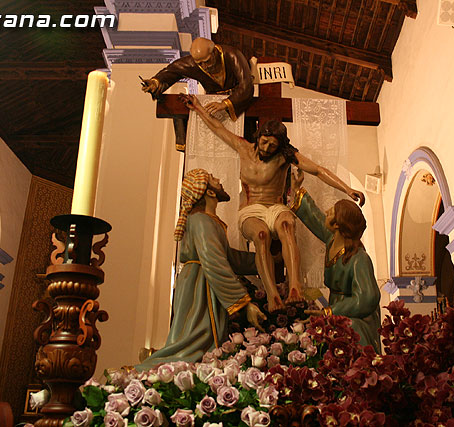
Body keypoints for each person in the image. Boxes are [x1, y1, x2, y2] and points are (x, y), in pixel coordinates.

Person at [181, 94, 365, 313]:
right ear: (258, 136)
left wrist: (347, 188)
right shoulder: (243, 148)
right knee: (261, 236)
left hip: (276, 207)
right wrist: (199, 108)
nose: (267, 148)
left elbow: (317, 169)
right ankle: (273, 295)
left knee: (287, 226)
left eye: (273, 145)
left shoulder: (284, 156)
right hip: (251, 209)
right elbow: (218, 129)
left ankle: (295, 287)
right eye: (265, 141)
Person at [135, 169, 266, 370]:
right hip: (199, 286)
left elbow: (230, 258)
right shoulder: (201, 220)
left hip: (203, 283)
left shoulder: (209, 221)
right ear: (209, 192)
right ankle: (154, 368)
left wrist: (265, 260)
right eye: (213, 179)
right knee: (195, 341)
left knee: (201, 340)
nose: (219, 180)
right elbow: (214, 261)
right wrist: (245, 304)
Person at [292, 169, 380, 351]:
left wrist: (331, 312)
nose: (326, 212)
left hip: (356, 320)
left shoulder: (358, 258)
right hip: (337, 313)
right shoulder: (333, 240)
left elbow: (367, 297)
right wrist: (297, 190)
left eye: (330, 212)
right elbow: (315, 217)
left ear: (338, 223)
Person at [141, 37, 253, 121]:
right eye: (200, 64)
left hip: (237, 103)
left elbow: (246, 85)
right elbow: (171, 71)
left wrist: (225, 104)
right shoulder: (192, 64)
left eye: (207, 61)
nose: (205, 67)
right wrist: (155, 82)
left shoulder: (232, 55)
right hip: (212, 105)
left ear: (214, 51)